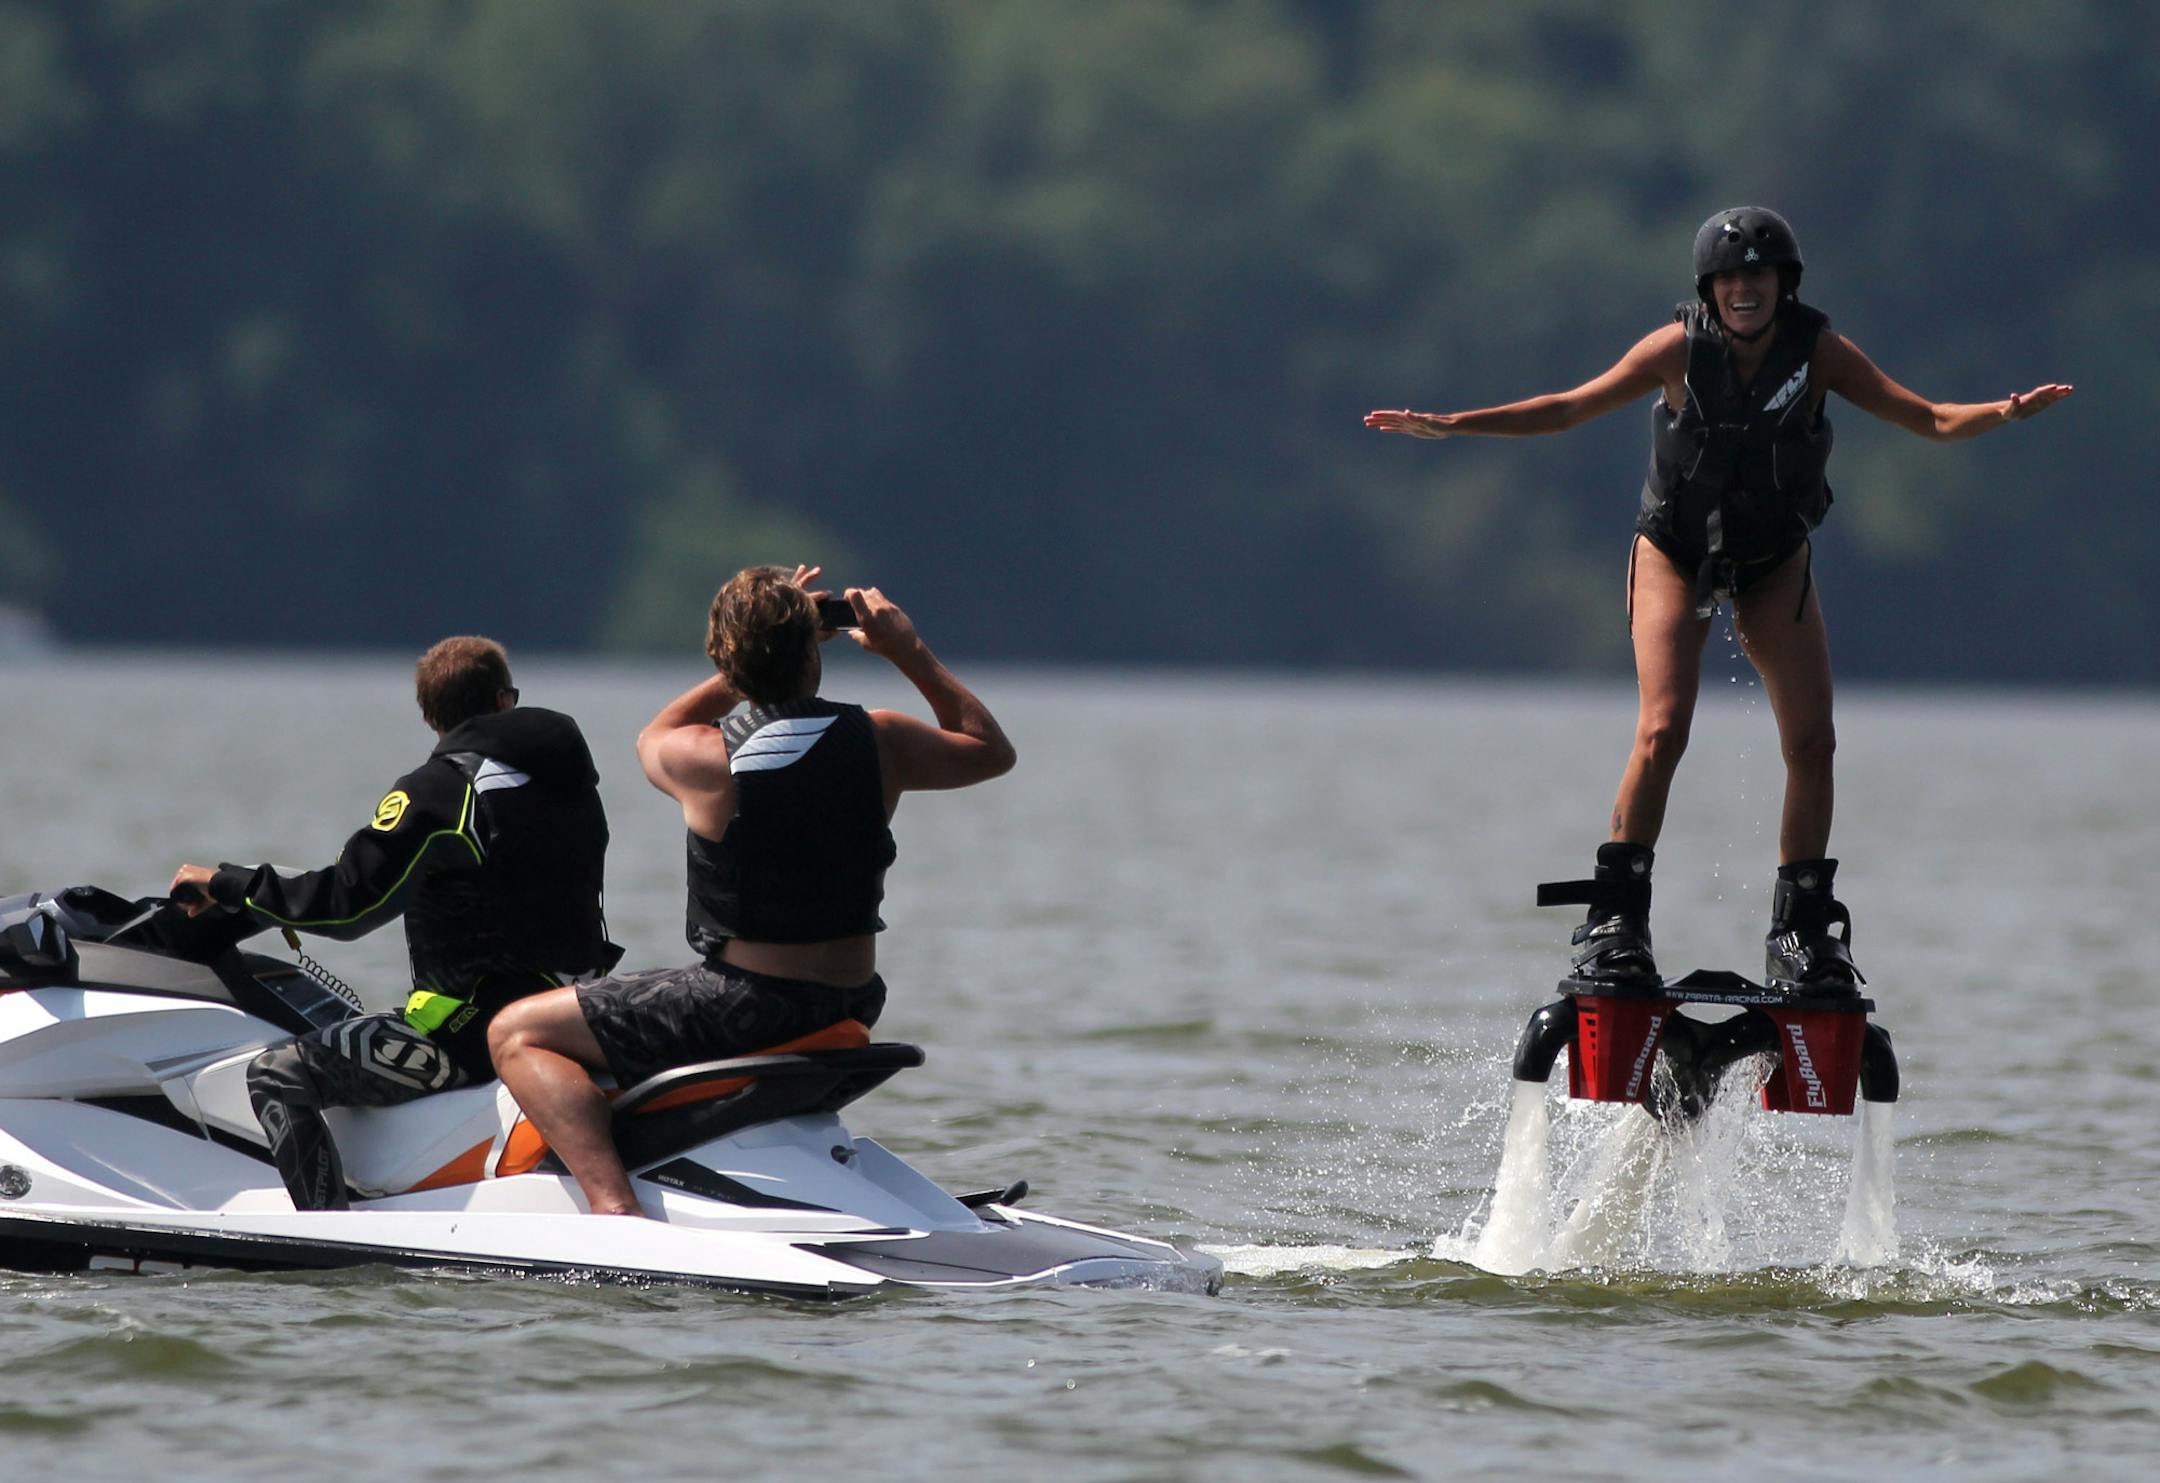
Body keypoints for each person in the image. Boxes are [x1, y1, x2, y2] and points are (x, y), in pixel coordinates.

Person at [1366, 206, 2071, 994]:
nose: (1744, 289)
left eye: (1758, 276)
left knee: (1814, 742)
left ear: (1783, 285)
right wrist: (1454, 425)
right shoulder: (1678, 350)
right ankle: (1615, 922)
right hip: (1673, 549)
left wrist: (2004, 412)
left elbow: (1932, 418)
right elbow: (1569, 406)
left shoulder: (1821, 353)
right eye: (1730, 278)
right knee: (1664, 726)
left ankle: (1801, 932)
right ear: (1710, 288)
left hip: (1772, 559)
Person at [488, 564, 1015, 1215]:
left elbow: (650, 734)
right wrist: (905, 650)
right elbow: (991, 749)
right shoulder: (882, 739)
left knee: (515, 1030)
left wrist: (753, 647)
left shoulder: (707, 756)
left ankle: (611, 1204)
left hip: (745, 1008)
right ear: (812, 657)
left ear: (726, 662)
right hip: (852, 1002)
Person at [170, 636, 620, 1210]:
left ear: (429, 713)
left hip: (468, 1036)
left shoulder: (440, 791)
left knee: (275, 1076)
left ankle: (330, 1238)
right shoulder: (571, 787)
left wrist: (228, 883)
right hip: (566, 1015)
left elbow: (347, 906)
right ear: (508, 700)